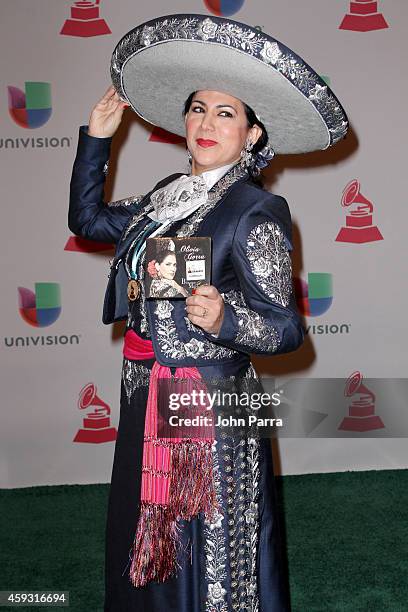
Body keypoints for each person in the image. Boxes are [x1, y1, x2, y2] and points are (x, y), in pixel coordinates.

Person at [68, 14, 348, 612]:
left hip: (209, 404)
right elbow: (88, 222)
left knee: (209, 544)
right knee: (142, 531)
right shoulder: (166, 196)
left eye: (226, 113)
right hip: (143, 390)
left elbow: (285, 327)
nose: (206, 123)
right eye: (198, 108)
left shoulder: (256, 209)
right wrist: (96, 138)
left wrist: (225, 320)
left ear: (251, 134)